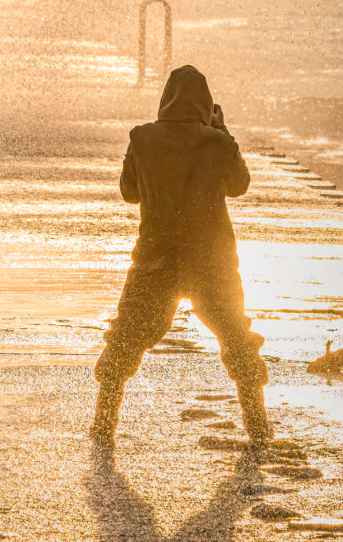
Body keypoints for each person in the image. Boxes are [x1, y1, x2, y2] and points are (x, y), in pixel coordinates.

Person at [91, 65, 271, 446]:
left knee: (126, 337)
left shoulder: (142, 138)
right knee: (237, 337)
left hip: (156, 258)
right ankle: (257, 425)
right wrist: (222, 132)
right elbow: (240, 185)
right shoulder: (217, 142)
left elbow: (129, 193)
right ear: (206, 105)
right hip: (213, 261)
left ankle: (103, 424)